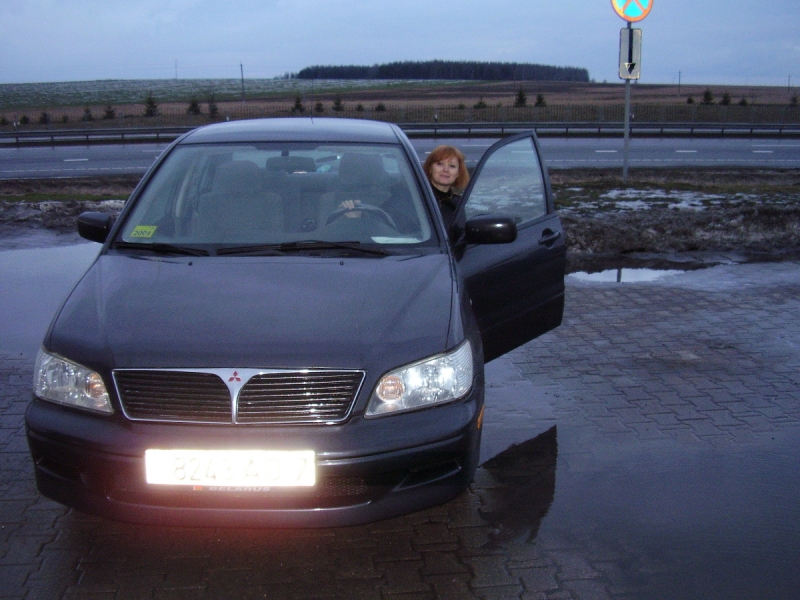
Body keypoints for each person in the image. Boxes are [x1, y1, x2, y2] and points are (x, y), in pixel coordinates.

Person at [422, 145, 470, 241]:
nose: (446, 170)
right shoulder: (417, 197)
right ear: (430, 168)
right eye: (440, 164)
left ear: (458, 173)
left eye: (452, 166)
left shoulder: (458, 203)